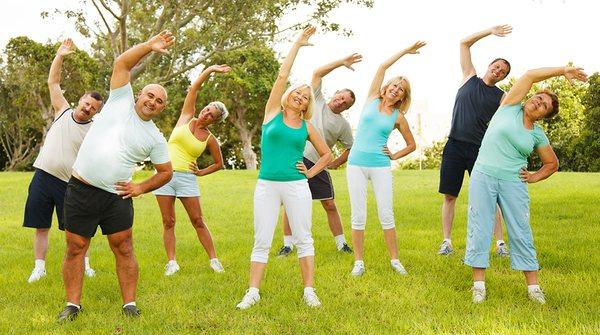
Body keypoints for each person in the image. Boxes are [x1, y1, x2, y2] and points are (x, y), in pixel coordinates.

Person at [57, 31, 175, 321]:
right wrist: (149, 46)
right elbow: (122, 63)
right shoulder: (121, 98)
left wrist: (141, 188)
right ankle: (72, 305)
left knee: (123, 247)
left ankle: (129, 305)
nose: (152, 101)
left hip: (117, 197)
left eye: (159, 101)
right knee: (76, 247)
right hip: (82, 189)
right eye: (150, 94)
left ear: (162, 108)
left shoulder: (156, 138)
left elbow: (166, 172)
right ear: (141, 94)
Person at [464, 65, 587, 304]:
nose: (537, 103)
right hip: (484, 175)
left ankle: (533, 288)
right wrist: (563, 70)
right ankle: (478, 285)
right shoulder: (509, 107)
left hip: (513, 182)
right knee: (479, 226)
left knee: (521, 231)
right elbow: (530, 76)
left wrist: (533, 176)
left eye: (543, 106)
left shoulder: (537, 134)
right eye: (538, 98)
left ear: (543, 116)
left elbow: (552, 163)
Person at [236, 26, 332, 309]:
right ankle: (253, 292)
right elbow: (281, 74)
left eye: (305, 97)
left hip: (296, 185)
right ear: (289, 95)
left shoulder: (307, 126)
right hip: (266, 185)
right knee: (262, 239)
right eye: (298, 92)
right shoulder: (271, 114)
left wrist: (311, 172)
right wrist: (297, 45)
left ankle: (309, 290)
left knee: (304, 238)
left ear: (306, 107)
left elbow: (326, 155)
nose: (300, 96)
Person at [23, 39, 103, 283]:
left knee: (76, 230)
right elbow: (53, 82)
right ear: (80, 100)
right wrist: (60, 55)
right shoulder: (62, 111)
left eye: (93, 108)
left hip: (69, 185)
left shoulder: (94, 131)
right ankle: (39, 268)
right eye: (87, 103)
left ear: (96, 112)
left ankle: (85, 264)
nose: (88, 108)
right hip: (42, 177)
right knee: (40, 225)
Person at [346, 41, 424, 277]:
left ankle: (395, 259)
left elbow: (412, 145)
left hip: (380, 166)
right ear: (386, 86)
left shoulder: (399, 117)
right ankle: (358, 262)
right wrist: (405, 50)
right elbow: (382, 66)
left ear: (402, 96)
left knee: (386, 212)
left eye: (401, 89)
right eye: (394, 85)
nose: (395, 89)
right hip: (356, 164)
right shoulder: (371, 98)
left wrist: (395, 155)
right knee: (358, 213)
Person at [438, 25, 513, 256]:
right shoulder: (469, 77)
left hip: (480, 150)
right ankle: (447, 243)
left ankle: (500, 244)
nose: (498, 71)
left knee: (490, 196)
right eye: (496, 66)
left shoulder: (501, 97)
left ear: (503, 77)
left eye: (503, 71)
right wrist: (490, 31)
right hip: (454, 145)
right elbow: (464, 43)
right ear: (490, 66)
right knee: (450, 196)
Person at [276, 53, 361, 257]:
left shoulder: (342, 125)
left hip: (318, 164)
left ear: (347, 108)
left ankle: (341, 245)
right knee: (290, 202)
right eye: (341, 97)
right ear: (335, 93)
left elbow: (351, 147)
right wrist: (341, 62)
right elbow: (317, 72)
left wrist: (336, 163)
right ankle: (288, 245)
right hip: (297, 159)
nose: (341, 102)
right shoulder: (317, 100)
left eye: (346, 103)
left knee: (329, 204)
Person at [154, 64, 231, 276]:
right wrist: (211, 70)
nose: (206, 114)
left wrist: (200, 172)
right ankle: (172, 262)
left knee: (197, 220)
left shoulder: (209, 138)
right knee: (168, 221)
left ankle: (214, 260)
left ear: (215, 121)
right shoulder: (186, 116)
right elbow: (195, 87)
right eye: (206, 109)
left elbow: (219, 164)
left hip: (187, 179)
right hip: (164, 176)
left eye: (211, 115)